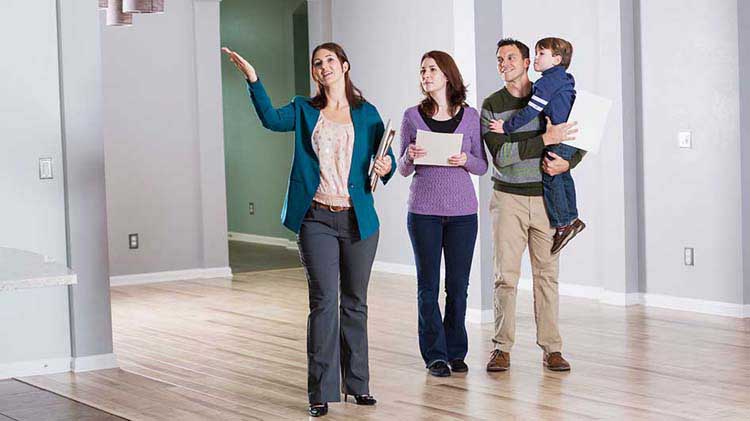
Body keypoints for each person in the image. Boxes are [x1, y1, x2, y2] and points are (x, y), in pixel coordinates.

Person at [222, 42, 396, 417]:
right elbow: (269, 118)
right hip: (316, 218)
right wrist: (253, 78)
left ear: (345, 66)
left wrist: (387, 166)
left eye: (330, 60)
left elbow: (386, 155)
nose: (323, 67)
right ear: (315, 72)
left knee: (355, 304)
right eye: (317, 63)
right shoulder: (305, 109)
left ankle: (359, 385)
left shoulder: (367, 114)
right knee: (323, 304)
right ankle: (320, 391)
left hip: (358, 220)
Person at [481, 38, 581, 373]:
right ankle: (501, 348)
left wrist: (569, 162)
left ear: (527, 62)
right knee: (504, 278)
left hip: (546, 199)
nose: (504, 63)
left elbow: (577, 136)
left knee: (547, 277)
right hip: (507, 199)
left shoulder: (551, 91)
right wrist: (545, 140)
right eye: (499, 59)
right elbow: (502, 157)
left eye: (511, 57)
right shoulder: (492, 105)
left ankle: (552, 348)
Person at [398, 51, 488, 377]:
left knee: (458, 286)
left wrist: (465, 159)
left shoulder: (471, 116)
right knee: (428, 286)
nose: (426, 75)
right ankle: (435, 355)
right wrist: (409, 155)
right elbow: (403, 169)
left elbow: (482, 165)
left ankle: (456, 351)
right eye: (422, 70)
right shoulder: (411, 116)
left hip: (463, 213)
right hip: (423, 212)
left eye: (432, 69)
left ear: (447, 75)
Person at [489, 37, 585, 254]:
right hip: (566, 139)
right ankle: (572, 217)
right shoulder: (565, 80)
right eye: (500, 59)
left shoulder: (544, 85)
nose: (536, 58)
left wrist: (506, 127)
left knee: (552, 174)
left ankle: (563, 224)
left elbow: (530, 112)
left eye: (541, 54)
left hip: (562, 138)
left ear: (557, 59)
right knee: (562, 176)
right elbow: (500, 157)